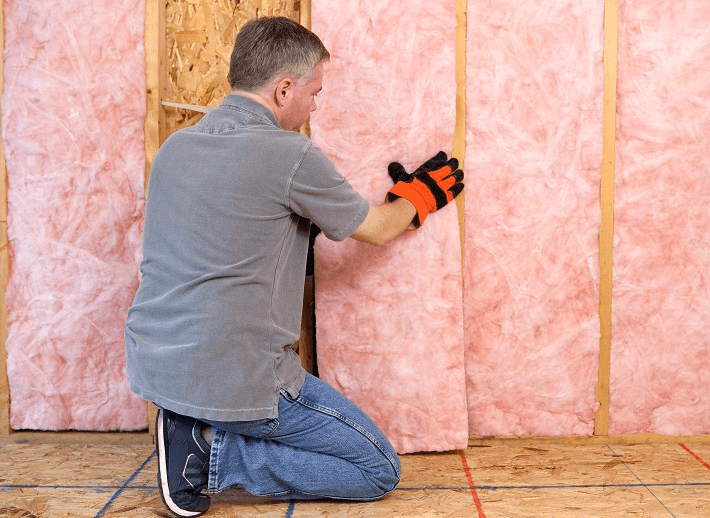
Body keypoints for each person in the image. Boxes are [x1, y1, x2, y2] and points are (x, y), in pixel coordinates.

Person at [124, 16, 463, 517]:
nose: (314, 106)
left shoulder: (175, 149)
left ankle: (188, 424)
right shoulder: (291, 155)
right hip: (240, 377)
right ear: (283, 90)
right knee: (376, 469)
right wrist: (419, 195)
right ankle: (208, 458)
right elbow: (378, 227)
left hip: (160, 365)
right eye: (314, 93)